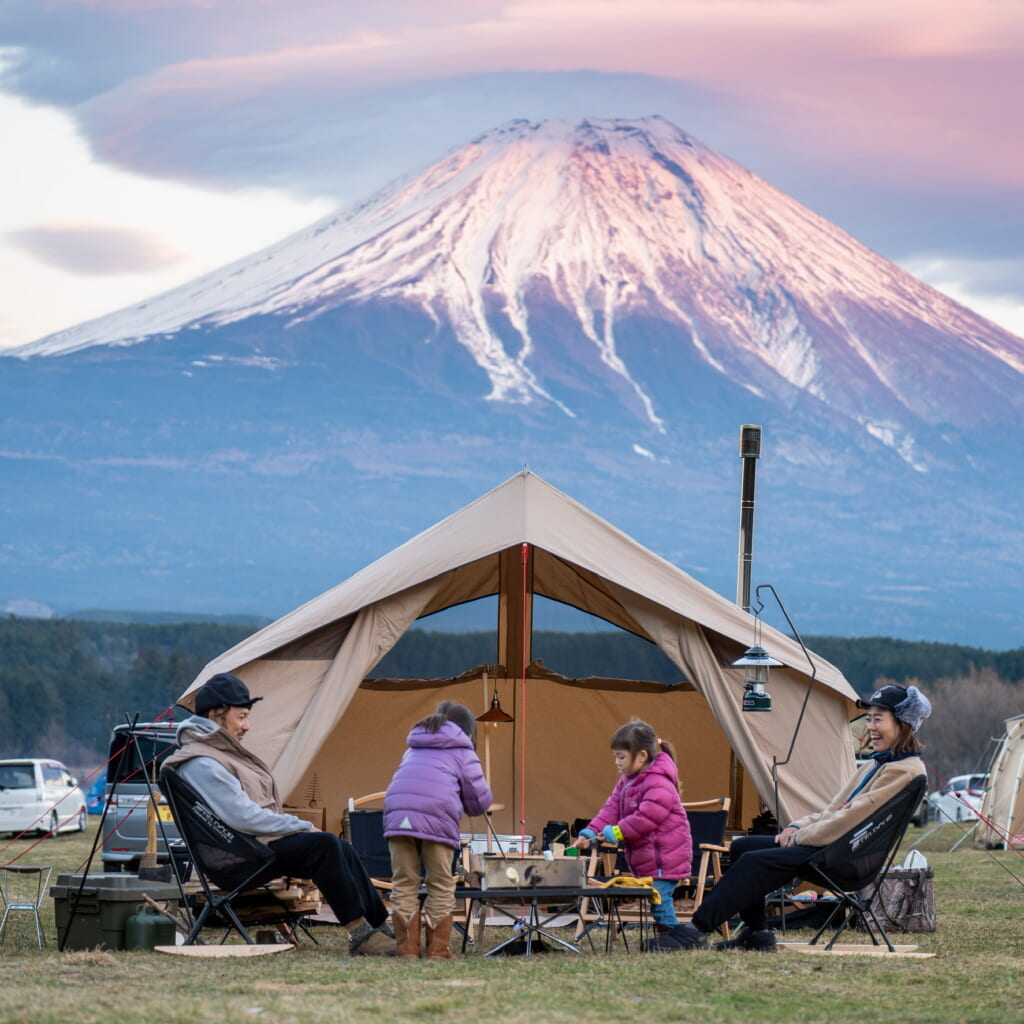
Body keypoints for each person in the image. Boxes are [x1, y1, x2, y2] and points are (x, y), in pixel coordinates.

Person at [665, 683, 932, 953]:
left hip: (846, 857)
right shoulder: (879, 764)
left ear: (903, 723)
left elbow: (851, 821)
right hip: (832, 846)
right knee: (742, 847)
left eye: (878, 719)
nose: (870, 727)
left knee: (754, 862)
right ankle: (757, 934)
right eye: (869, 719)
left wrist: (800, 838)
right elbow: (833, 811)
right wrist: (797, 826)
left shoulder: (906, 772)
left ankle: (695, 930)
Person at [165, 672, 395, 956]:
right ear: (216, 714)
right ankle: (361, 934)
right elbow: (242, 817)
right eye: (241, 717)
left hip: (252, 847)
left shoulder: (216, 752)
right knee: (324, 846)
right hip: (240, 858)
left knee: (341, 847)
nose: (247, 726)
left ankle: (381, 927)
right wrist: (299, 826)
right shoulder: (202, 762)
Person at [383, 701, 492, 959]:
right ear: (468, 733)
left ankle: (407, 951)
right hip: (436, 816)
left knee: (403, 882)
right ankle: (437, 951)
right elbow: (481, 801)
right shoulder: (463, 750)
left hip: (397, 816)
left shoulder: (413, 748)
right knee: (441, 883)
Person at [575, 719, 693, 949]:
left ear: (641, 756)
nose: (617, 762)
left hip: (664, 858)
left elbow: (647, 818)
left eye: (621, 757)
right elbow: (610, 809)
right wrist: (591, 830)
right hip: (648, 858)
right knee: (656, 898)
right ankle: (671, 937)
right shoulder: (627, 782)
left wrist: (617, 832)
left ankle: (673, 938)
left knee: (659, 898)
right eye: (615, 757)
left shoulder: (658, 781)